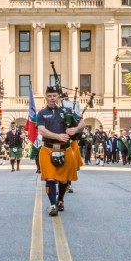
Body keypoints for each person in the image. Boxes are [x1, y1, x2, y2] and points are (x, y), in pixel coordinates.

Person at [37, 86, 84, 216]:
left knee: (64, 180)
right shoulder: (41, 113)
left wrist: (76, 129)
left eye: (54, 96)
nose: (52, 98)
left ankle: (60, 200)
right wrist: (57, 136)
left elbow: (82, 122)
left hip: (65, 149)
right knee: (50, 179)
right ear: (46, 98)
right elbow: (41, 130)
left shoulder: (66, 111)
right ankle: (53, 205)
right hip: (48, 149)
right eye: (49, 96)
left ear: (58, 97)